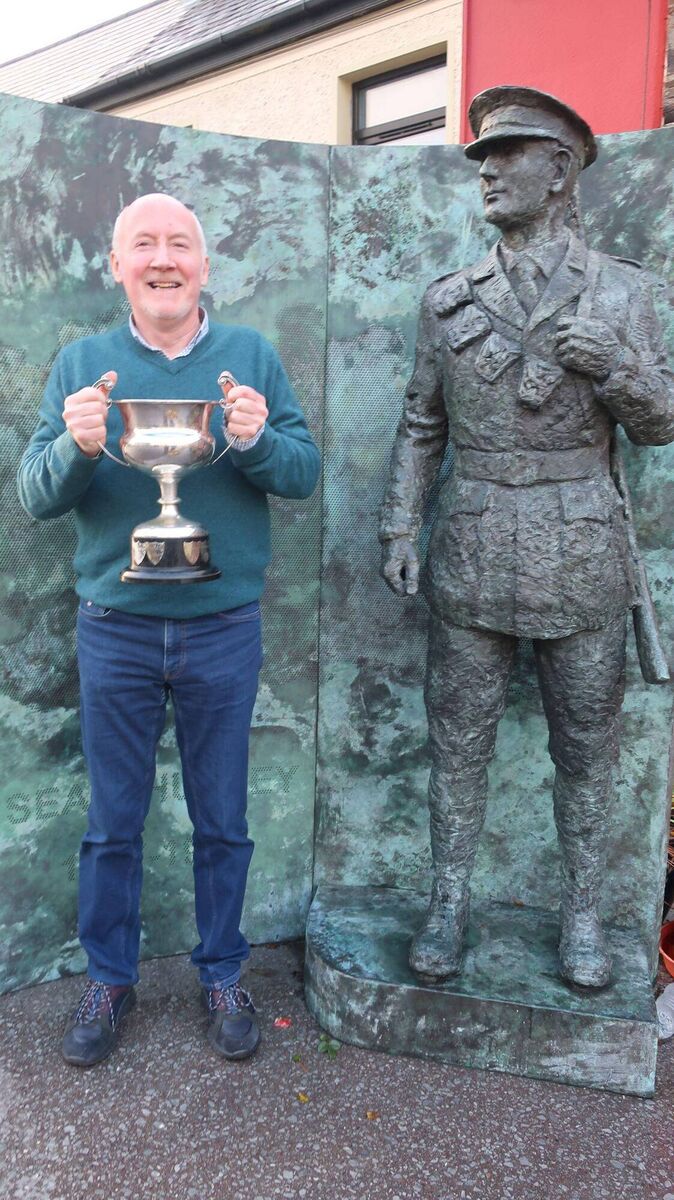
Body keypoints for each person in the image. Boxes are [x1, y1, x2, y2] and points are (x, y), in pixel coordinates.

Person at [379, 88, 674, 989]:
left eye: (508, 153)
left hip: (581, 550)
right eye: (481, 157)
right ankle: (448, 905)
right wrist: (401, 523)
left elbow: (661, 423)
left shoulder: (626, 292)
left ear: (561, 169)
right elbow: (421, 426)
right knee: (457, 742)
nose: (487, 171)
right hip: (472, 547)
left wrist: (616, 367)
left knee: (585, 752)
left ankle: (581, 919)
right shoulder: (449, 302)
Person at [18, 193, 320, 1065]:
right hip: (113, 626)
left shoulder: (251, 357)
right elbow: (36, 496)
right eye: (143, 244)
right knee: (114, 821)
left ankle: (223, 971)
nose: (163, 258)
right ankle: (109, 979)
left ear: (203, 266)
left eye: (179, 244)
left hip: (222, 627)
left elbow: (301, 473)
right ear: (116, 266)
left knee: (222, 817)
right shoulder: (82, 363)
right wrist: (75, 446)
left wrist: (260, 440)